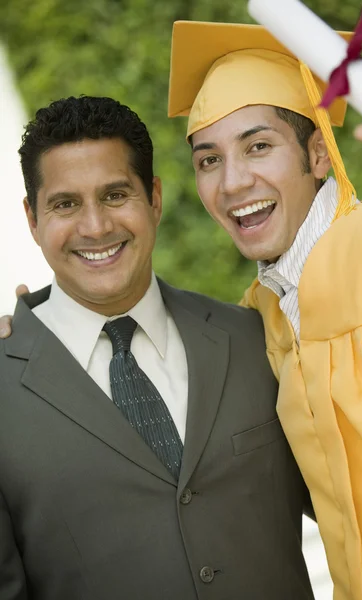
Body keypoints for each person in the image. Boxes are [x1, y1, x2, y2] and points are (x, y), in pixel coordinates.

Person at [0, 95, 314, 600]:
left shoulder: (256, 338)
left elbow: (359, 494)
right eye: (64, 204)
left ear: (155, 199)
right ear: (32, 219)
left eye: (116, 195)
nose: (96, 227)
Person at [166, 20, 362, 600]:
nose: (234, 181)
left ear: (319, 153)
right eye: (208, 160)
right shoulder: (258, 316)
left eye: (259, 146)